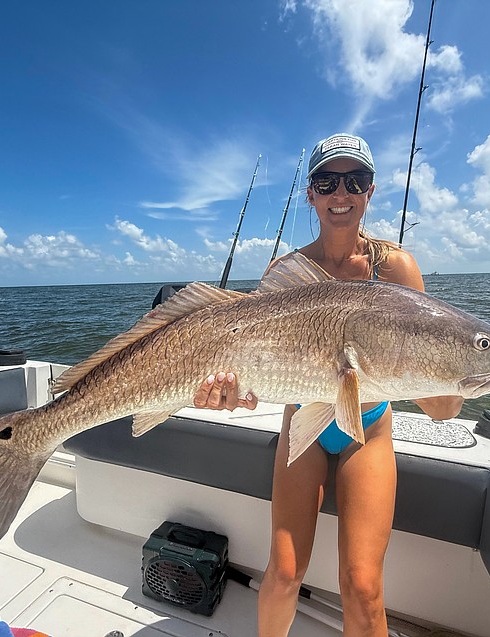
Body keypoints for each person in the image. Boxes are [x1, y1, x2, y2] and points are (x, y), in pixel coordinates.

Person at [192, 133, 463, 637]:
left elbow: (443, 404)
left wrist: (448, 380)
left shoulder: (396, 268)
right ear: (311, 194)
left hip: (369, 424)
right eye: (327, 181)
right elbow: (258, 367)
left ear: (371, 191)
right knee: (284, 573)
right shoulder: (284, 272)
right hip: (305, 424)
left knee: (363, 586)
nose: (342, 193)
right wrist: (232, 392)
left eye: (355, 180)